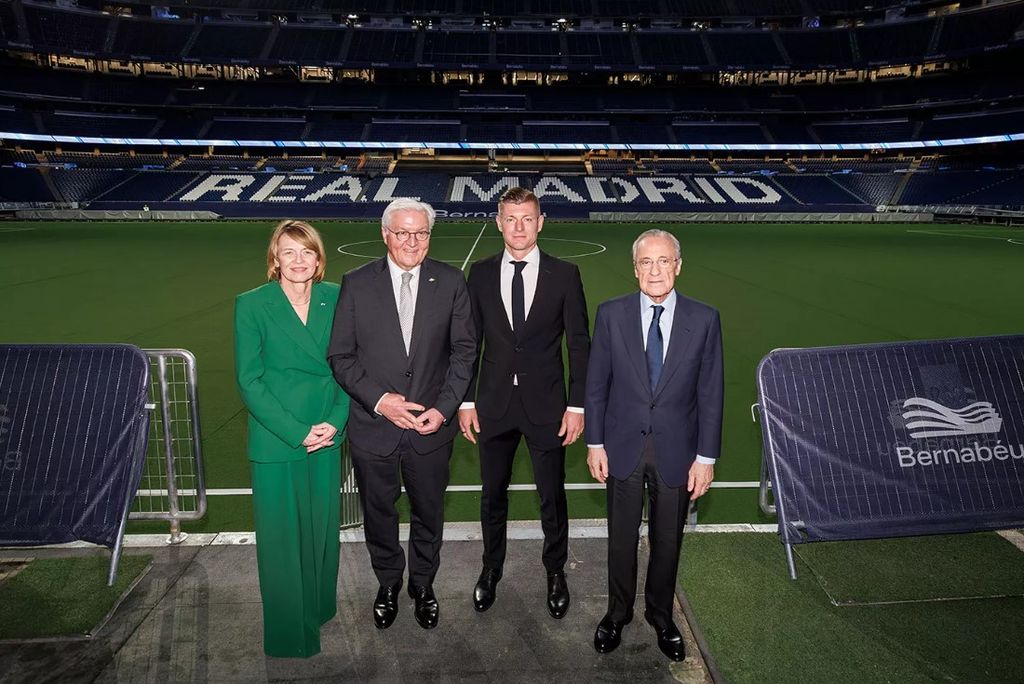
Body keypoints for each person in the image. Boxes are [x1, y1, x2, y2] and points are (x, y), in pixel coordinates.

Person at [327, 198, 476, 631]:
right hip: (374, 428)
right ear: (385, 235)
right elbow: (341, 355)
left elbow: (464, 352)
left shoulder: (450, 281)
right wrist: (381, 401)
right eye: (403, 232)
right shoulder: (356, 283)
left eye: (421, 233)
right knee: (379, 512)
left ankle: (423, 585)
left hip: (431, 428)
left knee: (430, 511)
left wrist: (444, 408)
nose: (412, 241)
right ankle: (388, 582)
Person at [584, 229, 723, 662]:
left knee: (668, 540)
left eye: (664, 261)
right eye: (647, 262)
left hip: (677, 452)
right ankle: (617, 614)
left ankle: (661, 615)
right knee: (620, 539)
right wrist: (594, 443)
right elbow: (596, 386)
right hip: (622, 447)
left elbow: (711, 392)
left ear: (678, 266)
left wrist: (706, 457)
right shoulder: (610, 314)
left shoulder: (704, 318)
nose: (655, 270)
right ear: (635, 268)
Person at [458, 187, 589, 618]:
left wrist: (577, 406)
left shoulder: (565, 274)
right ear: (498, 222)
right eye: (510, 219)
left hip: (547, 407)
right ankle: (490, 569)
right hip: (493, 405)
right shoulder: (478, 274)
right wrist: (465, 400)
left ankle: (555, 572)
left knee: (552, 495)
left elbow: (579, 345)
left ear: (540, 222)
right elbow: (467, 344)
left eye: (527, 219)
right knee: (492, 494)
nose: (518, 227)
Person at [234, 219, 350, 658]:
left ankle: (318, 609)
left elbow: (348, 364)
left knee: (321, 533)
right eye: (288, 252)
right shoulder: (252, 304)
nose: (298, 260)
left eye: (307, 252)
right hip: (278, 440)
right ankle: (288, 636)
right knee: (283, 540)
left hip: (325, 435)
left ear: (318, 260)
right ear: (274, 259)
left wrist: (336, 421)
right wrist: (296, 431)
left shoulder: (337, 298)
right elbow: (250, 381)